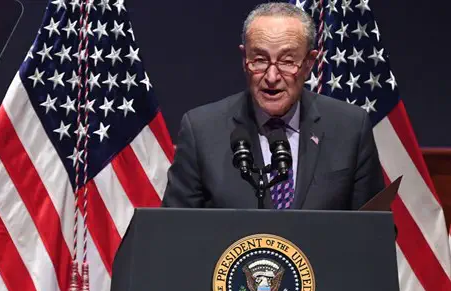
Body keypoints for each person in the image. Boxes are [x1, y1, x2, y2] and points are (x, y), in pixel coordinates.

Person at [162, 2, 384, 210]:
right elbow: (175, 230)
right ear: (244, 59)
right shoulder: (201, 130)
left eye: (287, 62)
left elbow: (373, 231)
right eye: (259, 60)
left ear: (309, 64)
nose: (271, 76)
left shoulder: (350, 127)